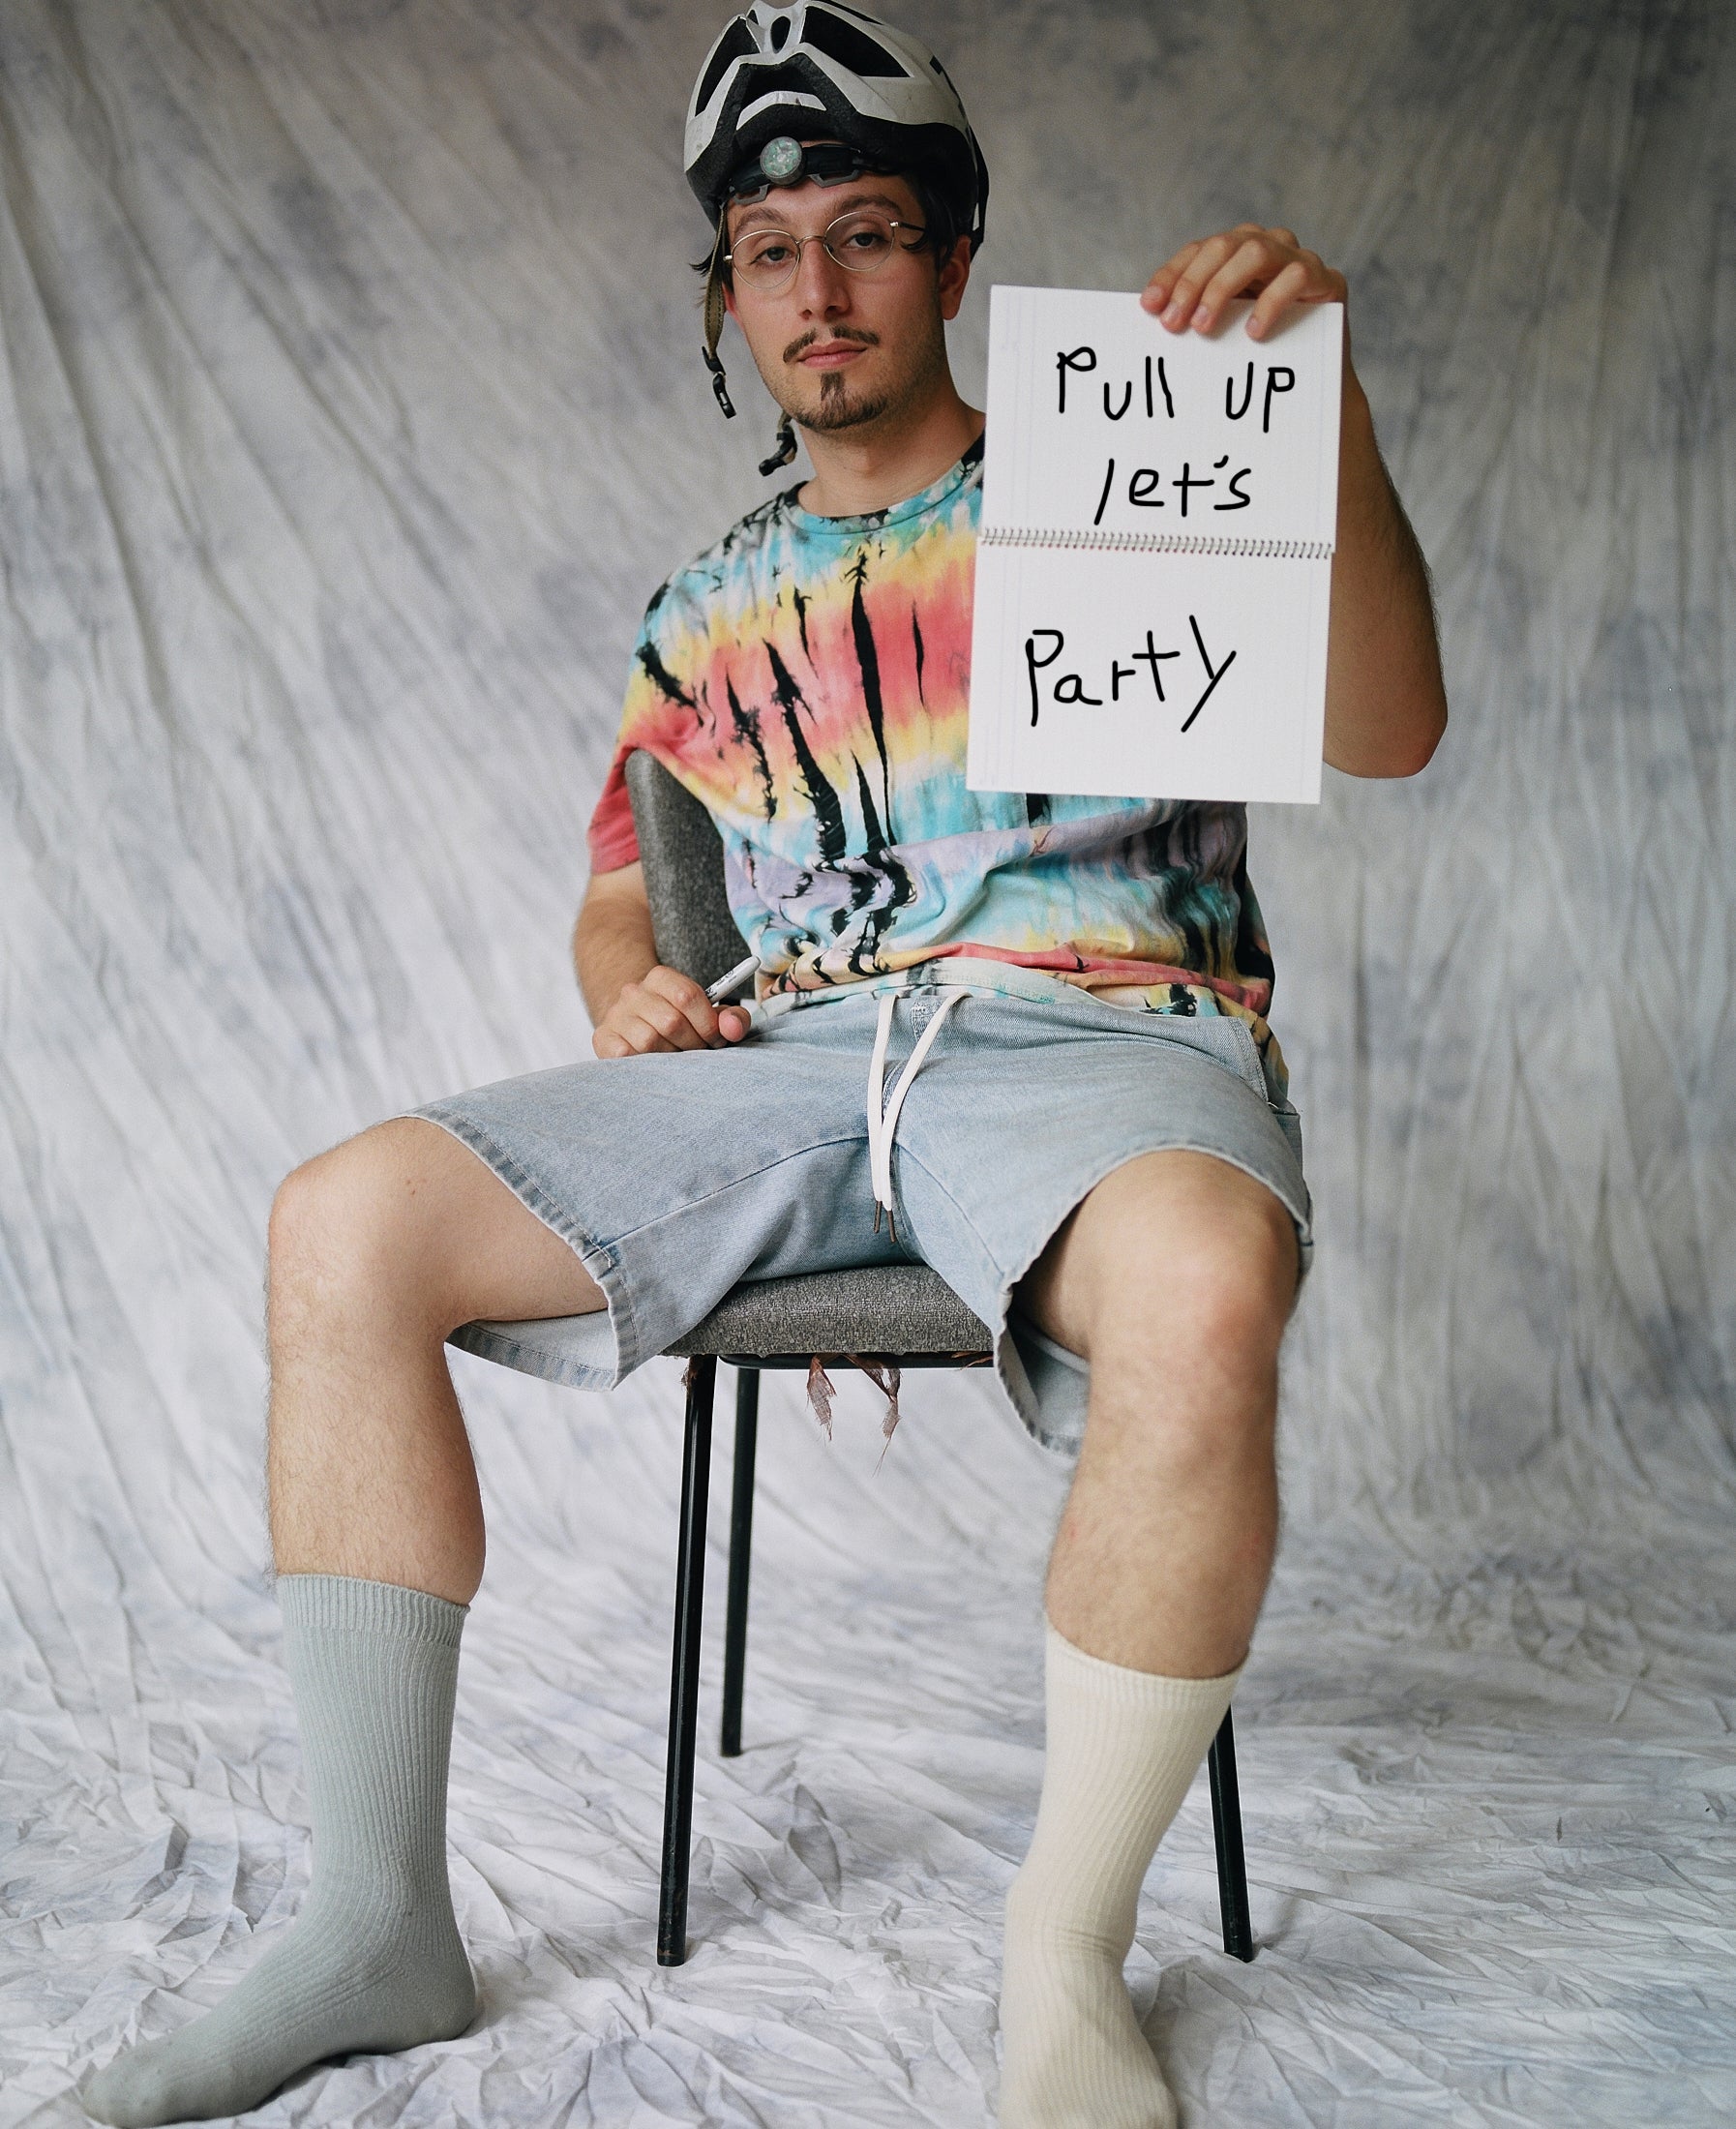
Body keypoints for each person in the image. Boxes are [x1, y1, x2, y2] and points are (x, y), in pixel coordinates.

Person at [81, 5, 1447, 2125]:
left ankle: (1063, 1950)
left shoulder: (1129, 479)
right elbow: (624, 887)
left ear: (953, 258)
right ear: (728, 293)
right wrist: (627, 980)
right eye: (770, 250)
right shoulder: (706, 607)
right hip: (797, 1060)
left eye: (868, 232)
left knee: (1201, 1287)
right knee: (339, 1221)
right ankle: (372, 1922)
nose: (819, 289)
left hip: (1100, 1039)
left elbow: (1390, 727)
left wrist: (1318, 414)